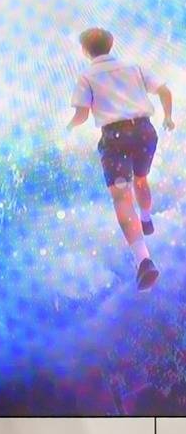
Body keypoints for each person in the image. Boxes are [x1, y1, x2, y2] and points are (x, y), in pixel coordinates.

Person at [67, 28, 175, 291]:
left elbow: (81, 115)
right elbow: (164, 91)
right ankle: (146, 218)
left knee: (122, 197)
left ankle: (144, 261)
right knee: (141, 179)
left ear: (85, 50)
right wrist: (167, 117)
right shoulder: (133, 67)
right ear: (111, 44)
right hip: (144, 132)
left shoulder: (87, 76)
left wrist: (68, 128)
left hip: (115, 138)